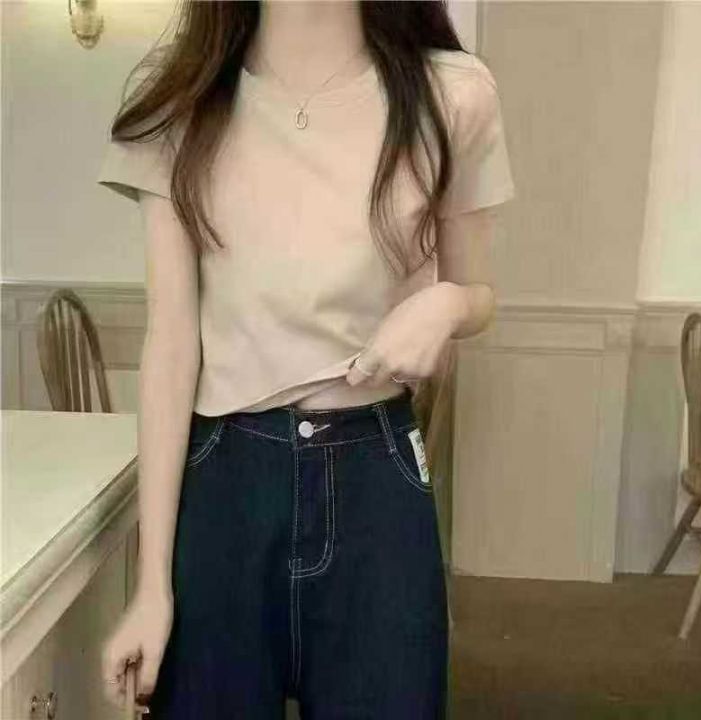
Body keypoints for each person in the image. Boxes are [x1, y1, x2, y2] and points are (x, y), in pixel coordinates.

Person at [96, 1, 515, 718]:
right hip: (223, 479)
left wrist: (446, 305)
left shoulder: (451, 93)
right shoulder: (184, 93)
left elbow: (479, 293)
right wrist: (152, 587)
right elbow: (170, 345)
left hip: (375, 477)